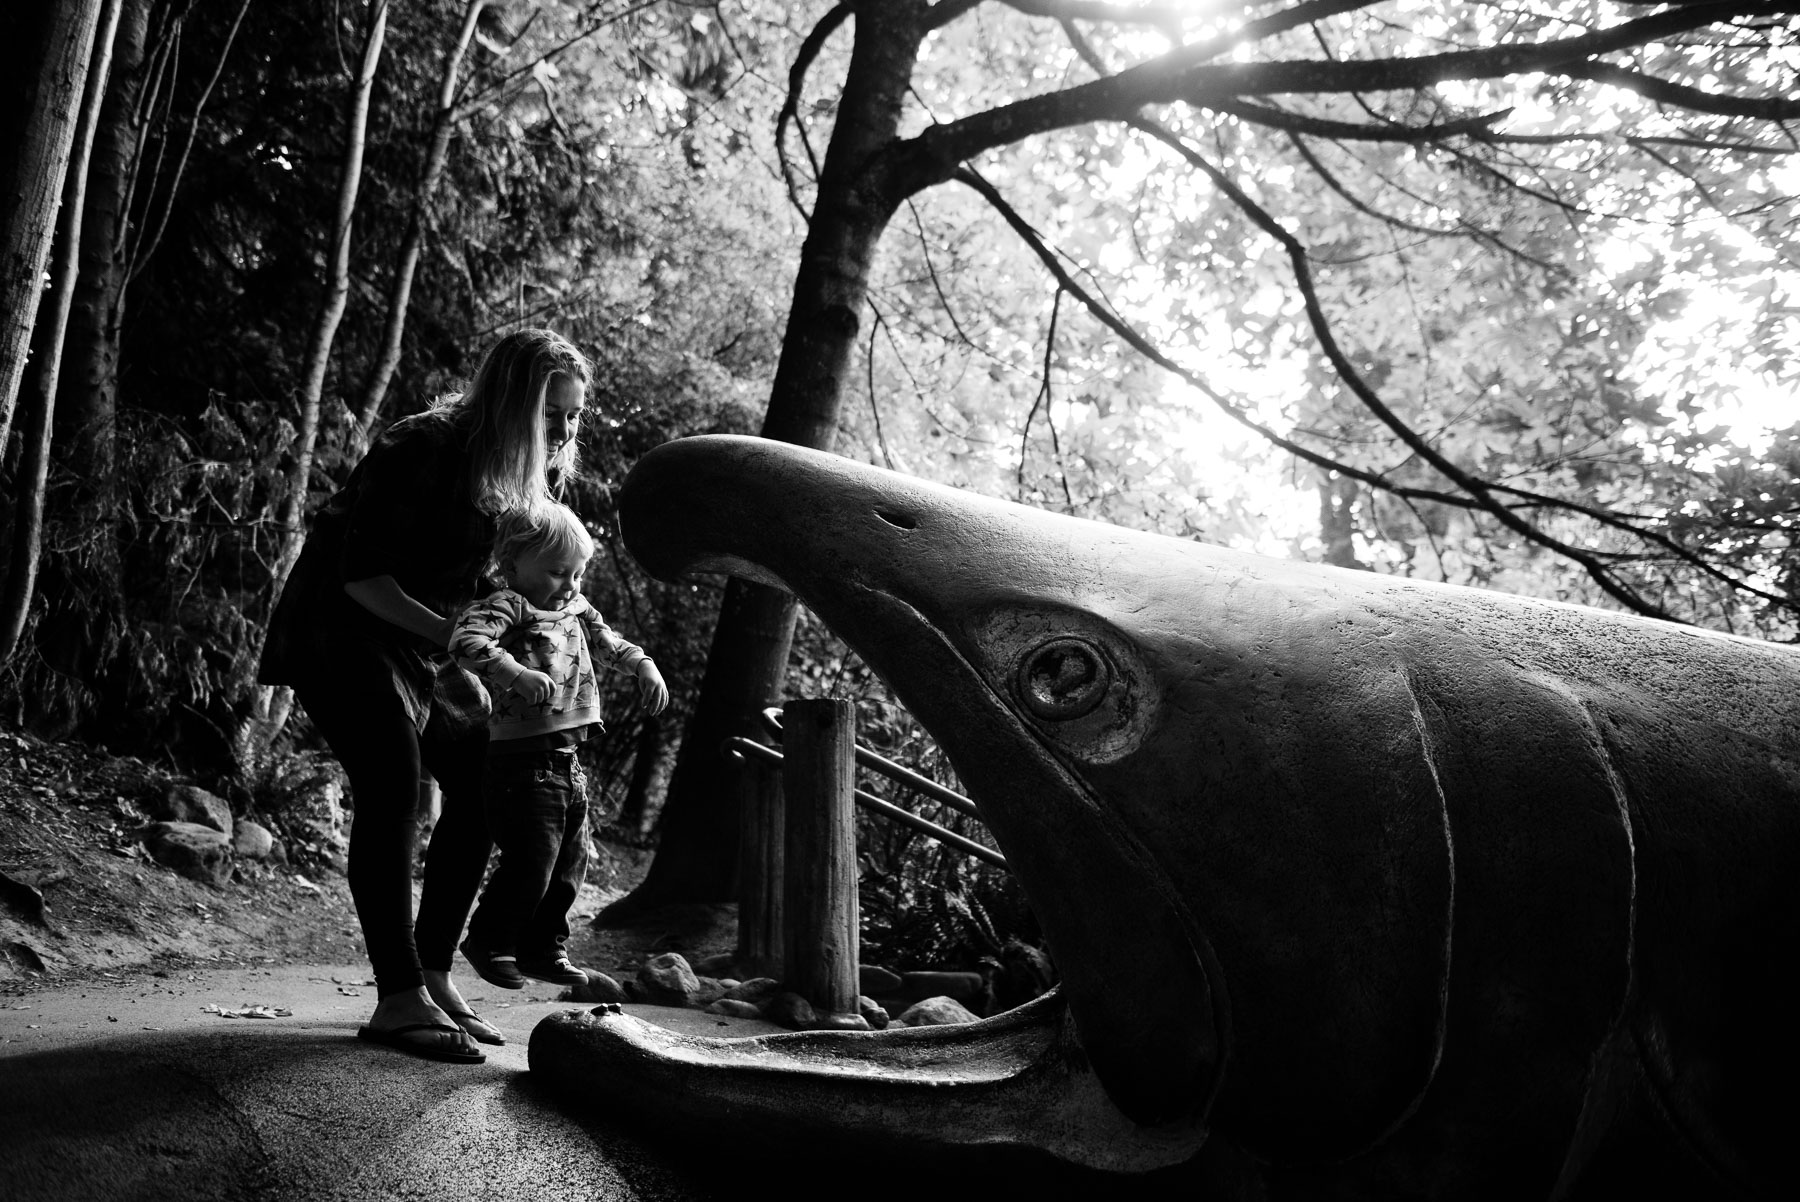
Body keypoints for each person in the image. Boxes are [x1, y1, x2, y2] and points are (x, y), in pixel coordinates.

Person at [258, 328, 592, 1063]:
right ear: (509, 402)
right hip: (344, 630)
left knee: (481, 789)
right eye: (550, 415)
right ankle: (396, 995)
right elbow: (362, 579)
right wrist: (461, 642)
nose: (565, 433)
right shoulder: (422, 446)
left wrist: (528, 652)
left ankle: (433, 972)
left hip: (428, 645)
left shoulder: (527, 474)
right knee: (393, 786)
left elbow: (503, 578)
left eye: (573, 416)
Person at [449, 501, 669, 988]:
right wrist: (514, 672)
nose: (570, 584)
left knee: (571, 864)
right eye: (556, 572)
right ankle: (488, 939)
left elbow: (610, 643)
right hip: (519, 763)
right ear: (511, 566)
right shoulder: (508, 605)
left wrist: (643, 665)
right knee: (533, 860)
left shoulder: (575, 606)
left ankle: (542, 948)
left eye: (578, 573)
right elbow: (465, 641)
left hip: (568, 762)